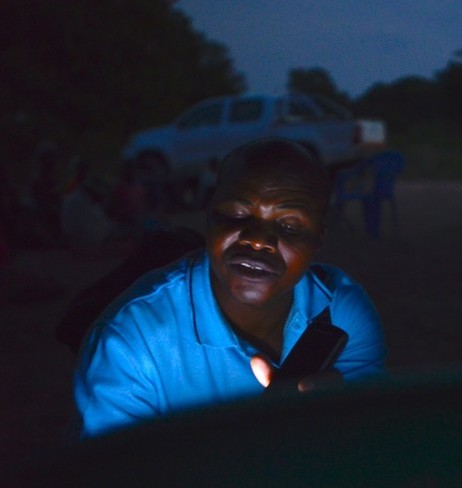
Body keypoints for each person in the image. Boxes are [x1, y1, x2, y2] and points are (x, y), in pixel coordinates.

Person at [74, 138, 387, 438]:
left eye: (289, 226)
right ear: (208, 217)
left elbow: (360, 446)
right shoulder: (130, 341)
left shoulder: (343, 312)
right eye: (237, 214)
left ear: (318, 239)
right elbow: (117, 484)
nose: (258, 239)